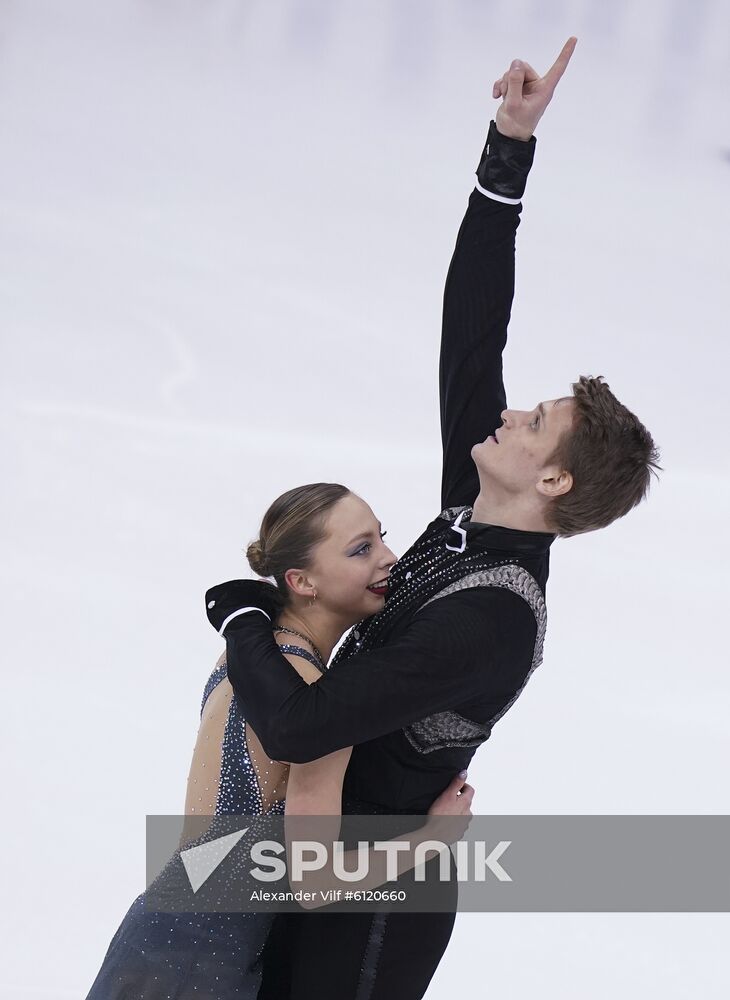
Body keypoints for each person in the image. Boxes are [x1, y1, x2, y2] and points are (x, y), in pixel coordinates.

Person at [206, 36, 661, 1000]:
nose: (507, 414)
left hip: (370, 914)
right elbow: (471, 322)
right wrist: (509, 147)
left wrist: (241, 613)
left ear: (554, 485)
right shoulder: (474, 505)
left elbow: (297, 724)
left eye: (533, 423)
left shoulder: (490, 619)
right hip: (314, 862)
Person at [84, 484, 473, 1000]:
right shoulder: (316, 699)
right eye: (361, 550)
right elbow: (317, 884)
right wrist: (431, 839)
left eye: (382, 539)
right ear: (301, 580)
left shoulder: (256, 654)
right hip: (204, 955)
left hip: (166, 921)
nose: (389, 560)